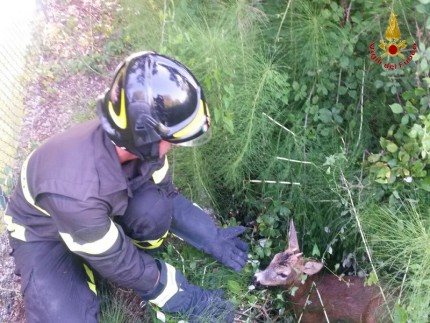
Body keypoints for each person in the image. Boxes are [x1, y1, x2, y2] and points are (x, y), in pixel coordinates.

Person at [5, 51, 249, 323]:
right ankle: (80, 270)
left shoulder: (135, 145)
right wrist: (181, 295)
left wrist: (210, 236)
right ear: (145, 137)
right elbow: (118, 261)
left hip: (90, 214)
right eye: (173, 139)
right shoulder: (77, 192)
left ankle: (99, 250)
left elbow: (167, 195)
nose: (176, 146)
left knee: (154, 209)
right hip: (43, 232)